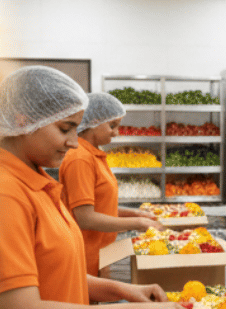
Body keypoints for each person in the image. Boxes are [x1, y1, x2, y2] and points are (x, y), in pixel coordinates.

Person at [0, 66, 194, 309]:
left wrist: (122, 290)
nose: (72, 142)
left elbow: (56, 276)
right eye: (64, 128)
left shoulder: (37, 182)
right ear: (22, 121)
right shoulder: (2, 194)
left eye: (77, 129)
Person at [59, 92, 163, 277]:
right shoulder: (80, 158)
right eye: (112, 125)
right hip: (83, 255)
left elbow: (101, 207)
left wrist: (136, 213)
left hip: (99, 251)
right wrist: (137, 223)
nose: (116, 132)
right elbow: (85, 217)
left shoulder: (94, 154)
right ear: (93, 122)